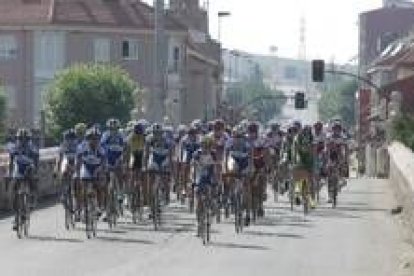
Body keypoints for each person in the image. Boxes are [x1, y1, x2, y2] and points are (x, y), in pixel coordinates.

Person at [8, 128, 39, 230]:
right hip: (19, 169)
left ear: (28, 139)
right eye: (20, 138)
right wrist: (9, 173)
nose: (23, 140)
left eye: (25, 138)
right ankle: (16, 218)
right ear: (17, 138)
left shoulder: (32, 147)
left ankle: (33, 198)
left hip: (29, 167)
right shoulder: (14, 147)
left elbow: (36, 160)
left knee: (32, 179)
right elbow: (11, 161)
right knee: (13, 191)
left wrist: (35, 172)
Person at [76, 127, 106, 213]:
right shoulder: (82, 147)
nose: (95, 141)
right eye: (92, 139)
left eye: (97, 139)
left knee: (99, 186)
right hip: (86, 167)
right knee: (84, 186)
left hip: (97, 167)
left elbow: (104, 161)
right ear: (88, 139)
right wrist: (78, 174)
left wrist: (101, 170)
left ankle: (100, 207)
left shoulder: (101, 148)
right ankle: (82, 208)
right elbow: (78, 161)